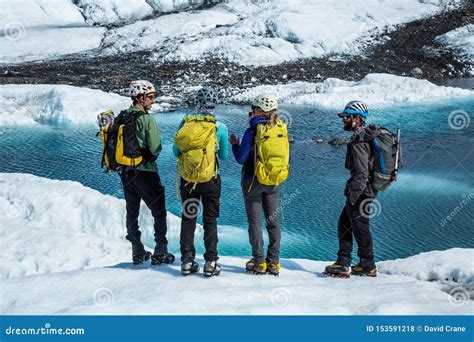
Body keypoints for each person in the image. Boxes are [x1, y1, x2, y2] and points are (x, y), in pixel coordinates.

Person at [229, 94, 289, 276]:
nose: (250, 112)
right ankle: (274, 263)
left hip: (252, 182)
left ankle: (259, 262)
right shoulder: (280, 128)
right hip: (273, 180)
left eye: (252, 109)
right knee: (273, 222)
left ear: (258, 110)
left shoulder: (252, 131)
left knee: (254, 223)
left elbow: (241, 158)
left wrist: (234, 145)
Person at [173, 87, 229, 277]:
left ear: (197, 104)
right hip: (210, 181)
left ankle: (187, 262)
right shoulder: (219, 127)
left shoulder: (185, 123)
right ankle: (210, 263)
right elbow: (224, 155)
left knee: (188, 220)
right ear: (214, 105)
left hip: (188, 181)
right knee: (210, 221)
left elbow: (175, 151)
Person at [120, 80, 175, 266]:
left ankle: (137, 251)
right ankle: (161, 251)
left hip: (126, 172)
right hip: (146, 172)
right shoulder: (146, 119)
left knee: (132, 210)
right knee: (159, 212)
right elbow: (155, 147)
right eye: (151, 97)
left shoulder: (123, 116)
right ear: (141, 98)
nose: (153, 101)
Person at [324, 100, 379, 277]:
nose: (343, 121)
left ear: (357, 118)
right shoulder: (362, 136)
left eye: (346, 117)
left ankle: (361, 264)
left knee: (359, 227)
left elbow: (362, 172)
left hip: (362, 191)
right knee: (346, 224)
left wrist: (354, 194)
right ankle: (357, 263)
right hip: (365, 189)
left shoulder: (359, 141)